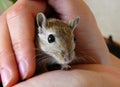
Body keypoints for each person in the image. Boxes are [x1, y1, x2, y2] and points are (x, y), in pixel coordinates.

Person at [0, 0, 120, 87]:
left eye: (73, 39)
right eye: (51, 39)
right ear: (41, 25)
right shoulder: (36, 44)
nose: (68, 55)